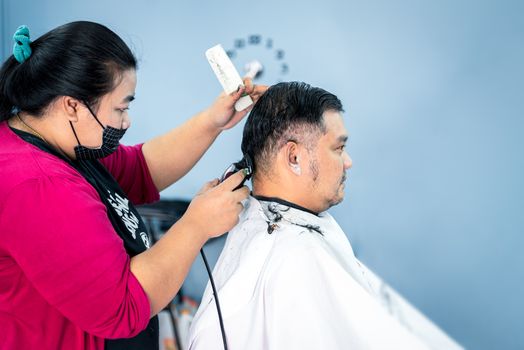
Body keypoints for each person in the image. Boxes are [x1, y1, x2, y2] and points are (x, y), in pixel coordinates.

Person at [0, 21, 266, 350]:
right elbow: (121, 306)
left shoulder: (60, 141)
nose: (126, 122)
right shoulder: (37, 185)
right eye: (120, 107)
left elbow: (140, 169)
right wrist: (197, 224)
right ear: (72, 105)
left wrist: (212, 122)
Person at [187, 82, 432, 349]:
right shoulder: (295, 258)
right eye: (338, 148)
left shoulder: (269, 233)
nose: (348, 161)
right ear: (294, 157)